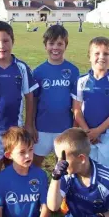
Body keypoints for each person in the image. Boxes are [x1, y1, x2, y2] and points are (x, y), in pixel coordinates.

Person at [0, 21, 38, 189]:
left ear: (13, 41)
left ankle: (14, 190)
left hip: (16, 126)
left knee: (15, 161)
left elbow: (29, 96)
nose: (1, 46)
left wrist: (29, 124)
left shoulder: (21, 68)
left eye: (6, 41)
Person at [72, 37, 109, 170]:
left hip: (107, 135)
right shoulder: (81, 81)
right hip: (85, 134)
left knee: (105, 171)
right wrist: (87, 132)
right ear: (89, 57)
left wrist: (98, 131)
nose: (101, 57)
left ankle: (105, 191)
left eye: (106, 54)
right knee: (85, 169)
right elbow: (76, 110)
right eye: (97, 53)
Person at [32, 25, 79, 168]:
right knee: (35, 163)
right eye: (51, 43)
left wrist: (75, 127)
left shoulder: (73, 71)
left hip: (64, 127)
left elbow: (77, 102)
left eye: (60, 43)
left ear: (66, 45)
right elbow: (33, 101)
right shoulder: (38, 72)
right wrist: (32, 125)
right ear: (45, 46)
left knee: (65, 164)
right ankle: (38, 188)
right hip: (42, 127)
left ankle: (61, 189)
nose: (55, 47)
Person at [0, 127, 50, 217]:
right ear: (9, 155)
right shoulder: (2, 178)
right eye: (22, 152)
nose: (28, 155)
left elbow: (46, 206)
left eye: (30, 150)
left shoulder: (41, 175)